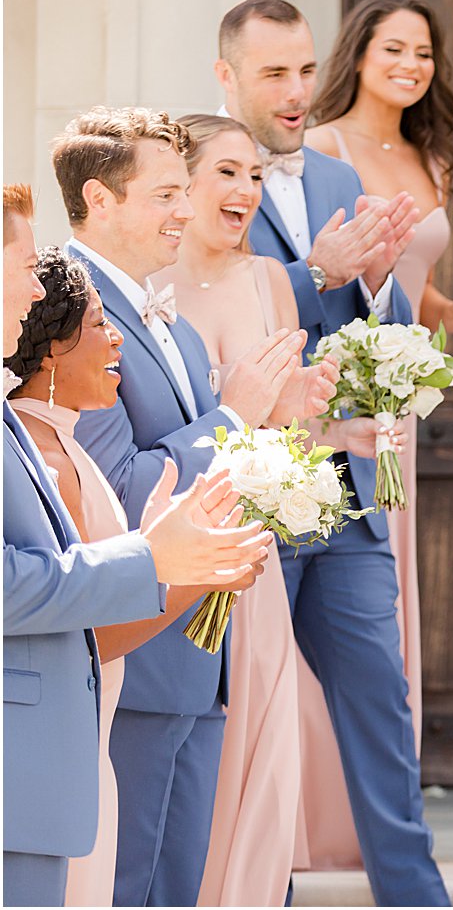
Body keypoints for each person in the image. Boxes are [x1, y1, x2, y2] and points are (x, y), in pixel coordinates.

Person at [54, 106, 325, 906]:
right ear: (100, 201)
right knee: (130, 881)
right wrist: (233, 416)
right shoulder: (73, 313)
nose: (185, 211)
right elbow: (115, 489)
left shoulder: (148, 304)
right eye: (165, 194)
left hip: (198, 655)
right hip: (139, 652)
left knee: (176, 886)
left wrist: (271, 419)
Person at [216, 0, 450, 905]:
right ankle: (246, 884)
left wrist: (381, 285)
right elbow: (221, 304)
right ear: (227, 75)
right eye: (275, 72)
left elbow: (370, 323)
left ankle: (414, 891)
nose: (297, 90)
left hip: (345, 485)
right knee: (248, 708)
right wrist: (315, 275)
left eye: (307, 69)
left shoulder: (334, 176)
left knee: (378, 697)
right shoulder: (206, 183)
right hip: (255, 487)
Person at [3, 183, 272, 907]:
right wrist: (167, 564)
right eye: (24, 266)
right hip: (35, 758)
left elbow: (89, 627)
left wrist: (193, 569)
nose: (34, 287)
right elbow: (18, 588)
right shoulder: (40, 444)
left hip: (75, 739)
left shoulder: (35, 438)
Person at [302, 0, 453, 868]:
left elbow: (412, 282)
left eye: (423, 52)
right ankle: (320, 815)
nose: (410, 65)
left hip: (406, 409)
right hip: (342, 411)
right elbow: (318, 280)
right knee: (351, 614)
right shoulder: (322, 147)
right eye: (393, 48)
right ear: (360, 51)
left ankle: (383, 810)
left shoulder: (433, 156)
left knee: (388, 611)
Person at [155, 112, 351, 906]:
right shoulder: (149, 289)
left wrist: (307, 401)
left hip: (256, 557)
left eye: (254, 175)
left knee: (262, 748)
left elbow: (291, 429)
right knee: (198, 749)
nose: (244, 189)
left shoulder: (272, 279)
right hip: (183, 550)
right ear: (184, 183)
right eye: (226, 172)